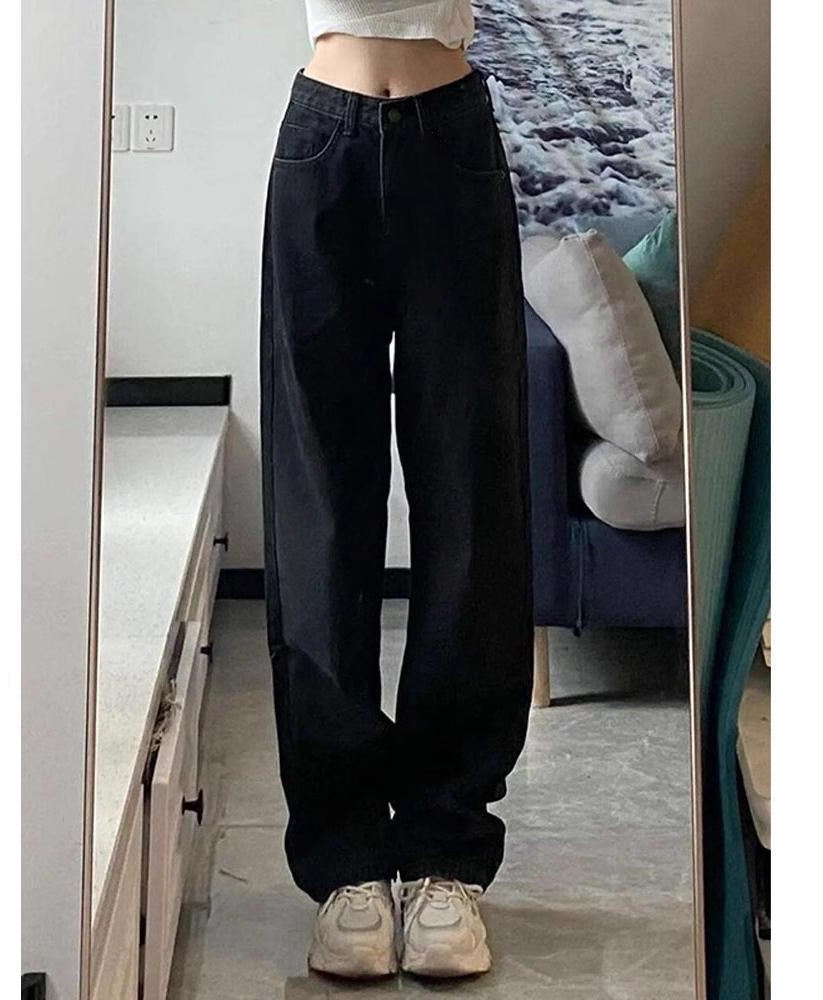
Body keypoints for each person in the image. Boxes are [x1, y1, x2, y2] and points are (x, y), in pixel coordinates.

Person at [259, 0, 533, 979]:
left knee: (471, 503)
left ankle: (446, 853)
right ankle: (345, 864)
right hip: (320, 140)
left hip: (449, 137)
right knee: (320, 513)